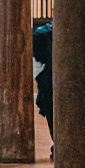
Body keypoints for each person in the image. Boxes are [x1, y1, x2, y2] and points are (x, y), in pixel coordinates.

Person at [32, 19, 53, 157]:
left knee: (52, 115)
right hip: (51, 81)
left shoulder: (45, 32)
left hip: (49, 82)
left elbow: (39, 56)